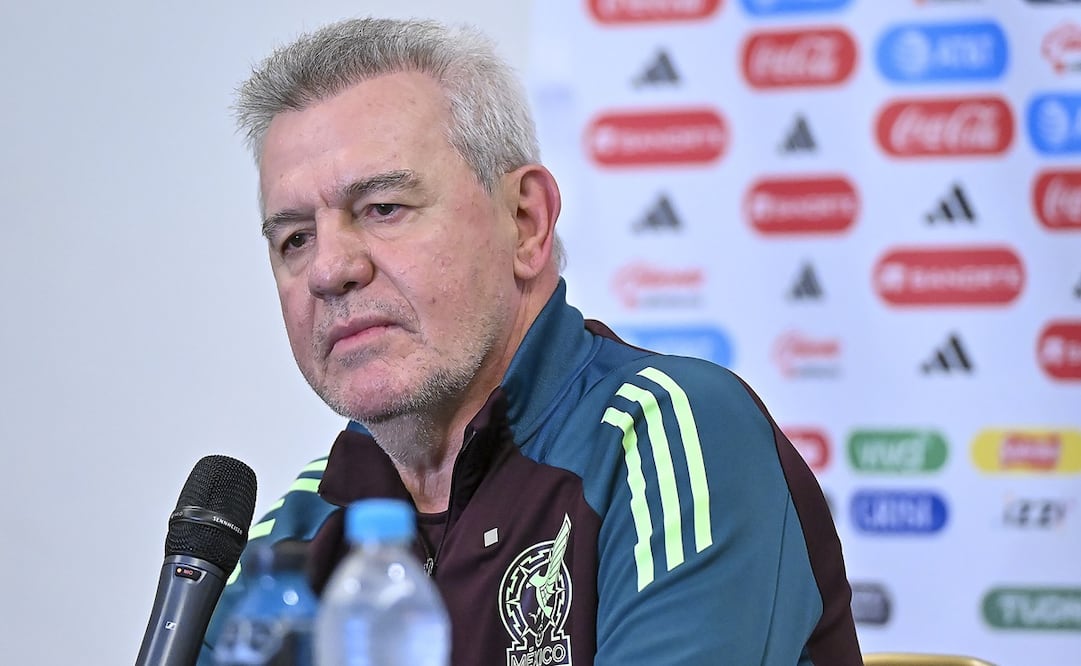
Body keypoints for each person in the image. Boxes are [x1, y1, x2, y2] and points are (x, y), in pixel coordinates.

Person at [198, 16, 862, 666]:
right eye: (294, 238)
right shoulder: (294, 529)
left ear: (525, 223)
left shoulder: (670, 435)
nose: (327, 269)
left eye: (382, 209)